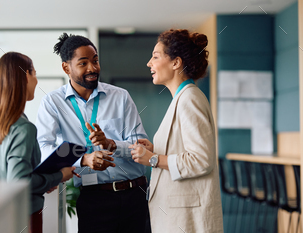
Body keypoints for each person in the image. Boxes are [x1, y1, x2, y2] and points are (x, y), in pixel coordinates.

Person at [35, 33, 149, 233]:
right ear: (66, 67)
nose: (93, 68)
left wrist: (111, 144)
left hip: (134, 196)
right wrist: (83, 159)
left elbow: (141, 145)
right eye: (83, 63)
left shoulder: (120, 97)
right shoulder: (53, 102)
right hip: (93, 199)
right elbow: (44, 148)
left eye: (95, 61)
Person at [130, 29, 223, 233]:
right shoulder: (182, 99)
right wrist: (156, 149)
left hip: (186, 218)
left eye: (155, 56)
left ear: (176, 63)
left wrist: (153, 158)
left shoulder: (189, 99)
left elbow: (201, 160)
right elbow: (185, 148)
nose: (149, 63)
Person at [0, 52, 76, 233]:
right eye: (34, 74)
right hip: (22, 217)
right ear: (26, 75)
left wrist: (45, 181)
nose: (36, 81)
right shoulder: (24, 128)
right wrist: (59, 176)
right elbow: (19, 182)